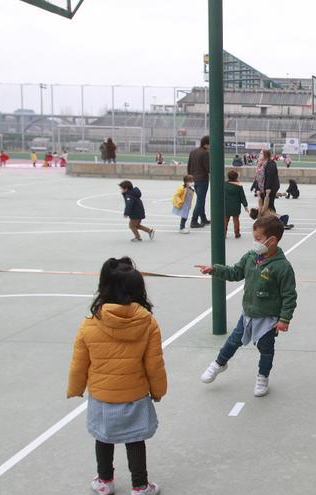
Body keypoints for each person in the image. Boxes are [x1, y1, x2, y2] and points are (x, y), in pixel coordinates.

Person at [67, 257, 166, 495]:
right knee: (135, 439)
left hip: (102, 396)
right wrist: (158, 391)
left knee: (103, 438)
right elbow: (154, 363)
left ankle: (104, 481)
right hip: (135, 394)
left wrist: (75, 387)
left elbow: (79, 363)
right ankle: (140, 485)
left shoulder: (89, 324)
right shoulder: (148, 323)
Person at [196, 215, 297, 397]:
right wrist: (215, 269)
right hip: (248, 313)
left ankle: (262, 377)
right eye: (254, 238)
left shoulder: (282, 267)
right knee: (233, 340)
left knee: (266, 350)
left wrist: (284, 319)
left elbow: (289, 295)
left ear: (272, 240)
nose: (254, 242)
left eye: (258, 239)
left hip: (268, 319)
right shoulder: (251, 257)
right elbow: (235, 272)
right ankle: (219, 363)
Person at [187, 135, 211, 229]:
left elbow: (189, 166)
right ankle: (194, 220)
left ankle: (203, 218)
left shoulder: (192, 152)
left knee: (200, 199)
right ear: (206, 144)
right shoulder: (205, 153)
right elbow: (208, 168)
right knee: (200, 201)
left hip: (193, 179)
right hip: (202, 180)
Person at [224, 170, 249, 238]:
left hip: (226, 205)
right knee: (236, 220)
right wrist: (245, 205)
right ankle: (237, 233)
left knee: (225, 220)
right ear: (236, 177)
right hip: (236, 206)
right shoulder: (238, 186)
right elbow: (242, 196)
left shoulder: (224, 185)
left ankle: (224, 233)